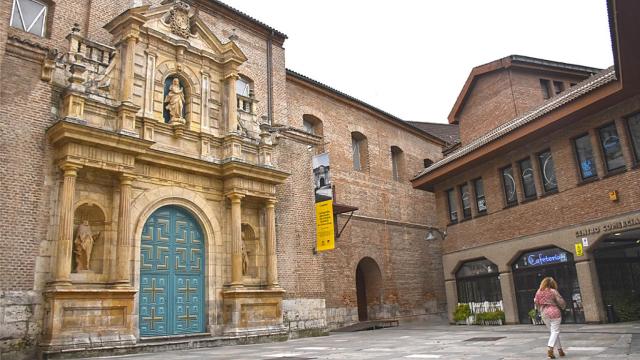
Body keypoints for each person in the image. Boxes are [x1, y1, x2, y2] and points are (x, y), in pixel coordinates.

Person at [534, 277, 567, 359]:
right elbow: (561, 301)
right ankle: (550, 349)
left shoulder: (538, 291)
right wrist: (563, 306)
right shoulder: (553, 291)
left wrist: (539, 310)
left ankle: (560, 350)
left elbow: (536, 302)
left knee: (553, 332)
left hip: (544, 313)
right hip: (554, 312)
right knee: (555, 331)